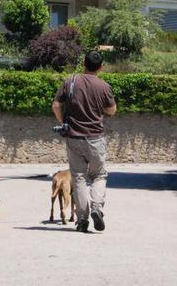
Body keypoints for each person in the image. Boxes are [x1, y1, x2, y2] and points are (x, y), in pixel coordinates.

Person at [51, 50, 117, 233]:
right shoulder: (104, 86)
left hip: (73, 137)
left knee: (79, 177)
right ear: (101, 67)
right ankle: (97, 207)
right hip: (95, 137)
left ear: (84, 64)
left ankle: (82, 219)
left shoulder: (70, 81)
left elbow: (56, 105)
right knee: (99, 175)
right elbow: (112, 110)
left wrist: (63, 122)